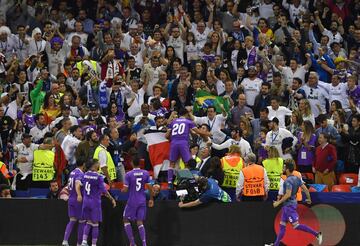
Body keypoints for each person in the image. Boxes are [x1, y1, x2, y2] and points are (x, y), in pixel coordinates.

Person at [270, 161, 322, 246]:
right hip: (289, 205)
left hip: (289, 206)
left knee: (296, 226)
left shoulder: (287, 181)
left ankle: (316, 234)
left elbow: (288, 194)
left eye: (284, 167)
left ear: (287, 169)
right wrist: (309, 199)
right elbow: (305, 189)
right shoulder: (297, 178)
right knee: (282, 225)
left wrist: (278, 202)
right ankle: (276, 244)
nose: (282, 169)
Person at [80, 159, 116, 246]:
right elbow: (104, 191)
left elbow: (81, 185)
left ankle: (84, 241)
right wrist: (112, 199)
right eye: (98, 163)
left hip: (86, 201)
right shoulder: (99, 177)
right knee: (95, 223)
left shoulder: (84, 175)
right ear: (94, 165)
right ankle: (93, 244)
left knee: (88, 221)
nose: (99, 164)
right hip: (94, 202)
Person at [166, 108, 206, 186]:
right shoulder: (188, 122)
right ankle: (186, 180)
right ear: (187, 114)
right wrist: (208, 134)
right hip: (183, 143)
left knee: (171, 164)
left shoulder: (173, 122)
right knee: (188, 163)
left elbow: (167, 135)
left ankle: (169, 182)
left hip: (174, 143)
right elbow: (198, 132)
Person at [122, 155, 154, 246]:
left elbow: (125, 189)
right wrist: (151, 199)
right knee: (139, 221)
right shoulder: (146, 173)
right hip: (142, 200)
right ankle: (144, 244)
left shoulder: (128, 174)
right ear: (140, 163)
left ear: (131, 163)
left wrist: (122, 190)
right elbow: (149, 187)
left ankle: (132, 243)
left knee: (125, 219)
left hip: (132, 200)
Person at [62, 157, 86, 246]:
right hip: (77, 200)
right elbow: (77, 183)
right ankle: (79, 244)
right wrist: (79, 195)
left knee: (72, 220)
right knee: (82, 221)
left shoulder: (72, 173)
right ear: (83, 164)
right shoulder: (80, 174)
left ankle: (65, 240)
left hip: (71, 199)